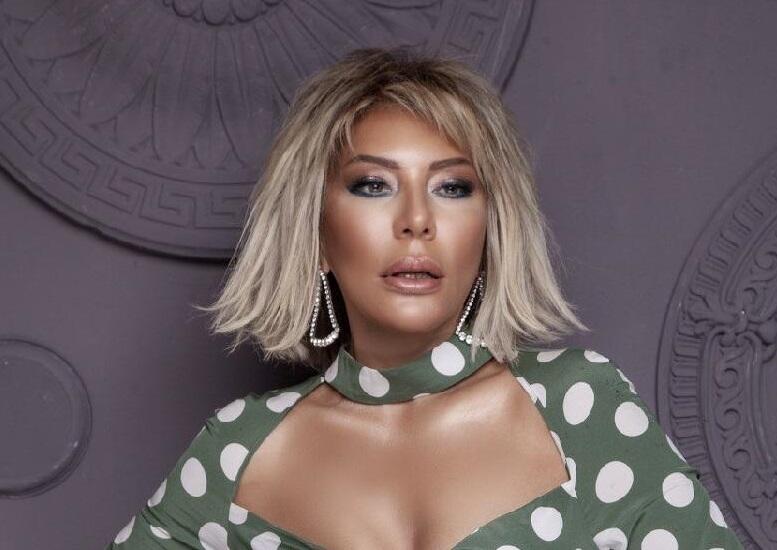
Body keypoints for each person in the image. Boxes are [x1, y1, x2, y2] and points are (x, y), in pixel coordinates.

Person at [107, 47, 744, 549]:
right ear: (316, 232)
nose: (416, 221)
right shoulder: (239, 449)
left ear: (490, 232)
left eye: (453, 188)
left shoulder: (580, 410)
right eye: (373, 185)